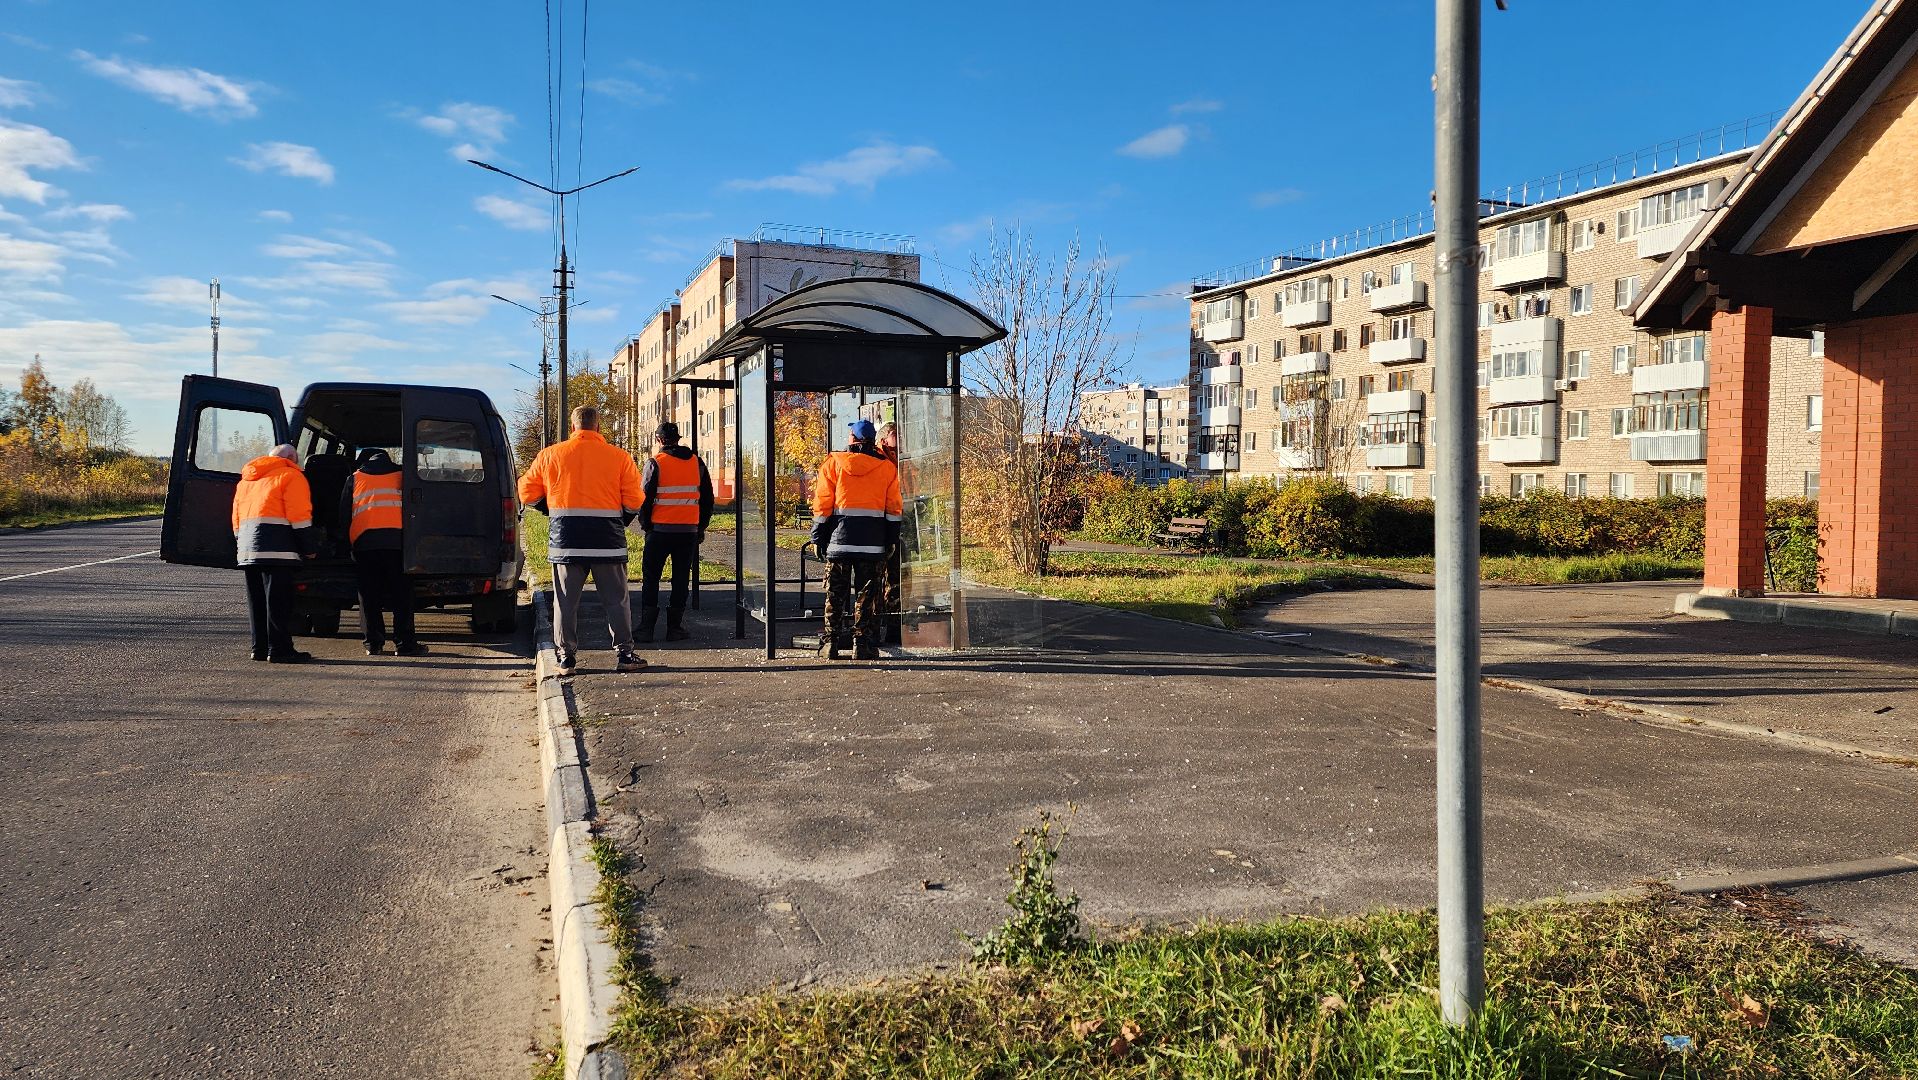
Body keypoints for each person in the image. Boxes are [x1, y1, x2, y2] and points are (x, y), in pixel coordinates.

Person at [518, 406, 648, 675]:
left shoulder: (550, 455)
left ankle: (566, 659)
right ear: (598, 427)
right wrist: (621, 520)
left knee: (565, 602)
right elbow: (635, 499)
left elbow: (526, 491)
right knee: (616, 600)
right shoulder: (619, 457)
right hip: (607, 542)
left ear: (573, 427)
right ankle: (625, 655)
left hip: (566, 541)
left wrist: (549, 509)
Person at [810, 418, 902, 660]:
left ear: (852, 439)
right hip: (872, 545)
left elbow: (822, 505)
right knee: (866, 596)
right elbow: (894, 509)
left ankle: (830, 645)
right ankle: (861, 645)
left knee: (835, 595)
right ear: (872, 441)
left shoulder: (833, 464)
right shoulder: (887, 469)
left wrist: (817, 537)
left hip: (839, 543)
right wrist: (891, 540)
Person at [232, 443, 317, 664]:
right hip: (279, 550)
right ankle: (280, 650)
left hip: (248, 550)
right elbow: (299, 517)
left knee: (257, 601)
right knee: (278, 603)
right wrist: (309, 549)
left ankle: (259, 648)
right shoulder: (291, 476)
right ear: (291, 458)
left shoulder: (246, 481)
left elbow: (236, 519)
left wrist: (242, 544)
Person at [340, 447, 424, 657]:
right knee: (401, 595)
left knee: (369, 596)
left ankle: (373, 644)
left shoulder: (354, 478)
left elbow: (344, 515)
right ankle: (405, 644)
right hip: (398, 544)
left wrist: (346, 545)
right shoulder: (403, 476)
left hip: (365, 544)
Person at [635, 421, 714, 643]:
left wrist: (646, 525)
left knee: (651, 578)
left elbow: (644, 499)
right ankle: (675, 628)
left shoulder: (655, 463)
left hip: (659, 532)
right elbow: (707, 499)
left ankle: (646, 629)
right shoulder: (697, 463)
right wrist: (700, 527)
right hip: (687, 532)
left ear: (659, 440)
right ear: (678, 439)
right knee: (680, 579)